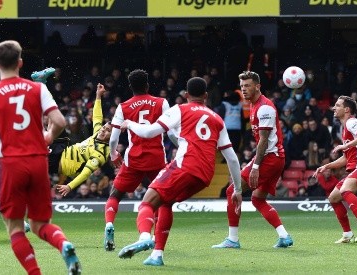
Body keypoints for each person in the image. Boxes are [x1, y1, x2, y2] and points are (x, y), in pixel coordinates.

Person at [0, 40, 81, 274]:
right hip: (37, 162)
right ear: (20, 62)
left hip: (10, 163)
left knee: (15, 228)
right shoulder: (38, 89)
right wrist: (48, 137)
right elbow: (61, 123)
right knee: (40, 224)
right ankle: (64, 244)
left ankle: (35, 272)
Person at [117, 77, 242, 266]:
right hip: (205, 176)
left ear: (186, 94)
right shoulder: (217, 118)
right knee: (165, 204)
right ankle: (157, 255)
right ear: (206, 96)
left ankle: (144, 237)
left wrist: (130, 124)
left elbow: (150, 132)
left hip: (185, 165)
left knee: (147, 204)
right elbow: (232, 158)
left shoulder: (179, 109)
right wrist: (238, 190)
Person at [213, 71, 293, 249]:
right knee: (258, 199)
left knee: (232, 190)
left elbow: (264, 139)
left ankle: (232, 239)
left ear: (257, 86)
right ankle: (284, 236)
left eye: (247, 85)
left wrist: (256, 166)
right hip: (274, 158)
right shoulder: (254, 106)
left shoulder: (264, 107)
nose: (244, 89)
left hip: (269, 159)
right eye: (242, 87)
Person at [104, 69, 175, 252]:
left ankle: (109, 224)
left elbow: (113, 138)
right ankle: (155, 238)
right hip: (157, 159)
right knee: (161, 199)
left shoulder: (123, 106)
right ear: (147, 84)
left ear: (130, 87)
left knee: (115, 194)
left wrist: (113, 154)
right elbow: (172, 132)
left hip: (133, 159)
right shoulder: (162, 103)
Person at [313, 95, 357, 244]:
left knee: (345, 190)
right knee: (333, 198)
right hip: (356, 168)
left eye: (337, 105)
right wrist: (326, 166)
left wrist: (346, 145)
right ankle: (347, 234)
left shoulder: (352, 122)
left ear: (347, 109)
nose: (334, 108)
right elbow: (346, 159)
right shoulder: (345, 128)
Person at [54, 83, 112, 198]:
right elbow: (97, 117)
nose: (102, 130)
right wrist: (98, 96)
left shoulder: (101, 154)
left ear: (112, 136)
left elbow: (86, 173)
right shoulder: (97, 134)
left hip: (63, 164)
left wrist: (70, 186)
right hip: (62, 152)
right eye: (103, 128)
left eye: (107, 131)